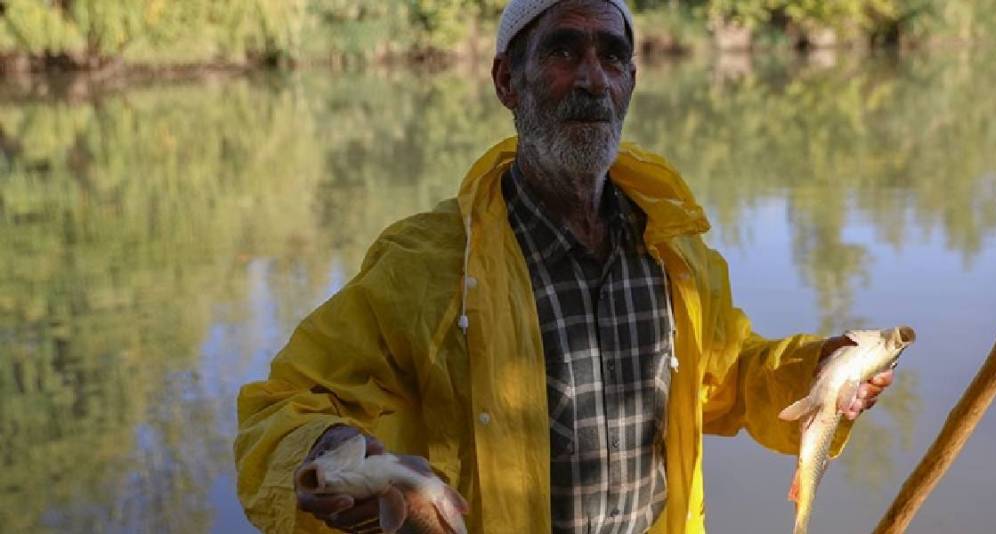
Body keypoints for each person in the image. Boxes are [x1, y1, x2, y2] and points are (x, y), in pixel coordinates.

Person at [233, 1, 894, 532]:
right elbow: (279, 410)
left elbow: (725, 379)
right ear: (505, 82)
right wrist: (333, 456)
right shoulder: (428, 265)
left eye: (612, 55)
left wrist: (816, 374)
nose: (590, 78)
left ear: (631, 81)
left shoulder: (675, 247)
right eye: (562, 50)